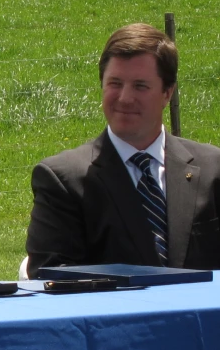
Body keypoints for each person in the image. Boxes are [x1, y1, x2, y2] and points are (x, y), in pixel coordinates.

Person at [26, 23, 220, 278]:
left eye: (140, 86)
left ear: (167, 93)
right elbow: (53, 279)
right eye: (115, 83)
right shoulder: (64, 181)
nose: (125, 98)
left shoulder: (212, 170)